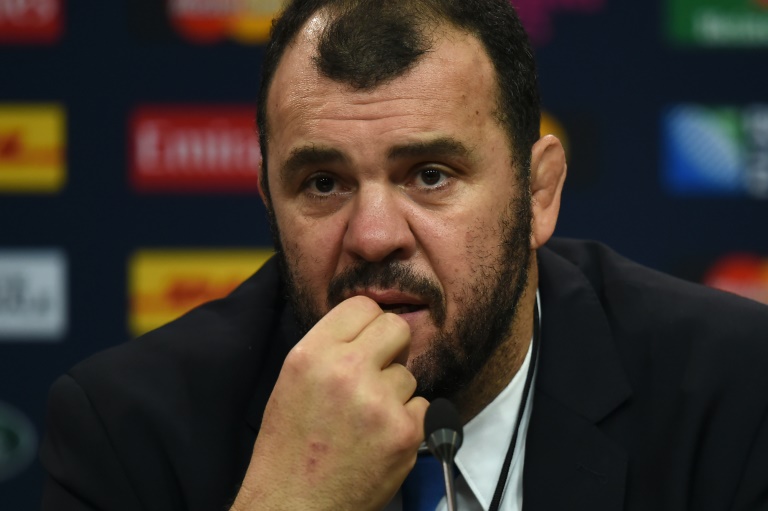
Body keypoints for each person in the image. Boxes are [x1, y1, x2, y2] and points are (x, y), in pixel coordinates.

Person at [41, 0, 768, 510]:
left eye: (430, 175)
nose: (373, 235)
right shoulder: (129, 429)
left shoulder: (734, 394)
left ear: (538, 194)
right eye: (323, 183)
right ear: (269, 203)